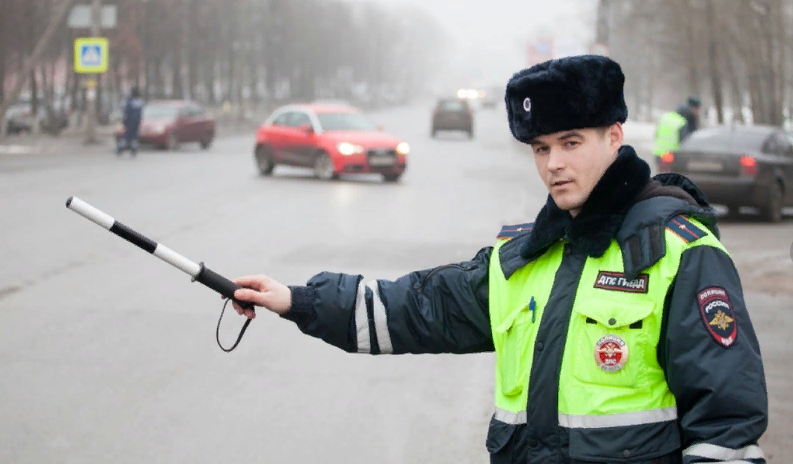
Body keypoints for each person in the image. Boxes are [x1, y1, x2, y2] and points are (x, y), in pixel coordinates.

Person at [228, 56, 767, 463]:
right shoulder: (525, 258)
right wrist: (298, 301)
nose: (553, 164)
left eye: (571, 142)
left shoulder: (679, 253)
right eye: (540, 149)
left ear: (615, 137)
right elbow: (419, 307)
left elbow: (726, 426)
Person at [652, 96, 702, 170]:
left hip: (658, 154)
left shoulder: (665, 117)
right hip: (671, 155)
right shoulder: (681, 122)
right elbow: (684, 140)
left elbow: (656, 135)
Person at [117, 86, 144, 157]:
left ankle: (121, 148)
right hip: (135, 122)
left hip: (130, 122)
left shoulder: (130, 101)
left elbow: (126, 111)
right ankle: (132, 149)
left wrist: (124, 120)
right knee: (133, 136)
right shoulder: (139, 101)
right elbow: (139, 113)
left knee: (127, 135)